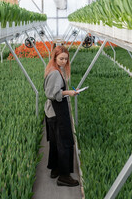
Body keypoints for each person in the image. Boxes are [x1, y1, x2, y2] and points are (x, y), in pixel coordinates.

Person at [43, 45, 80, 187]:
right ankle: (64, 176)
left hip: (52, 112)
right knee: (65, 141)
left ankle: (55, 168)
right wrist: (68, 92)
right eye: (61, 58)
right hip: (57, 111)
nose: (64, 61)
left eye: (66, 59)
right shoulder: (55, 73)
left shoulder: (54, 69)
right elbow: (52, 94)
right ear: (55, 58)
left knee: (55, 141)